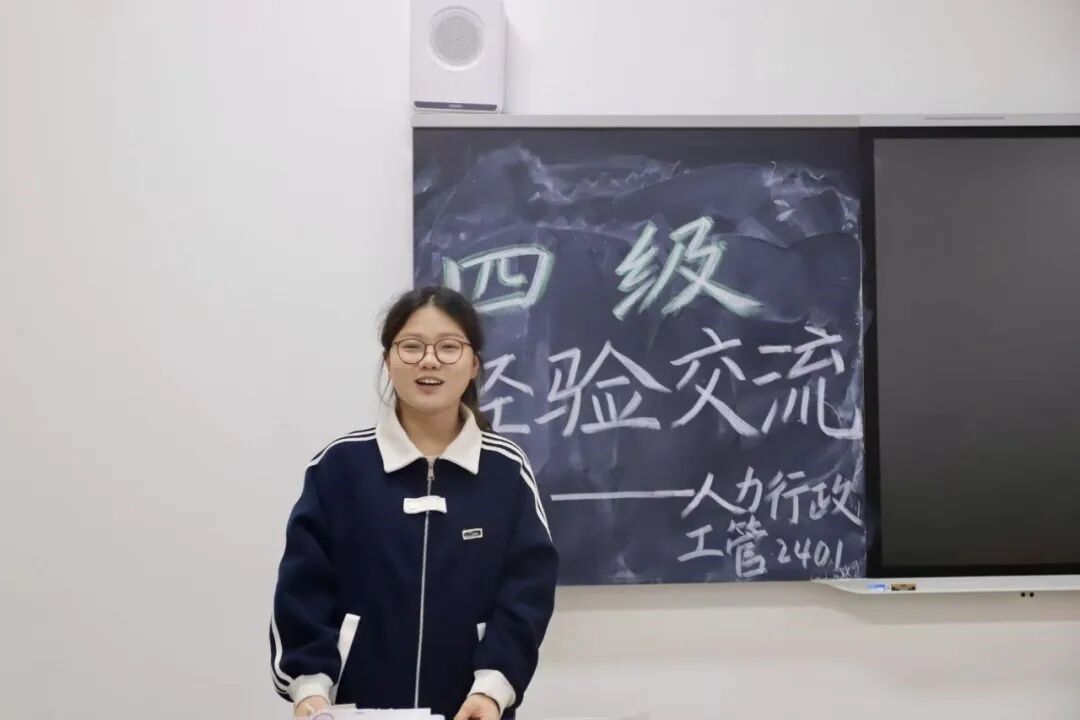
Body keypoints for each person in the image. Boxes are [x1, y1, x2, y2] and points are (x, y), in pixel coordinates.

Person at [269, 286, 558, 720]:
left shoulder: (505, 470)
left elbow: (527, 594)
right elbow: (302, 587)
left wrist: (493, 689)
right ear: (388, 360)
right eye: (411, 347)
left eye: (449, 347)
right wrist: (309, 689)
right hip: (351, 707)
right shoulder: (340, 466)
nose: (429, 361)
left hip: (471, 709)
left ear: (474, 364)